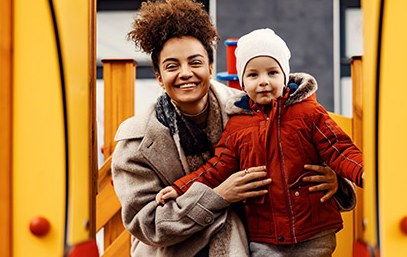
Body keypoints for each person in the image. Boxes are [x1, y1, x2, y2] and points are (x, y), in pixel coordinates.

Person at [112, 0, 356, 257]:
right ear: (159, 78)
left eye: (195, 62)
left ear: (210, 67)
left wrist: (336, 182)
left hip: (252, 243)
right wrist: (218, 195)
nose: (185, 73)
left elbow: (308, 149)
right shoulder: (136, 141)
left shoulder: (250, 110)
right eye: (172, 66)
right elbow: (147, 224)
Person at [156, 28, 363, 256]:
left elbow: (338, 149)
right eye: (253, 75)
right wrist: (180, 187)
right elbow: (217, 168)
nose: (263, 82)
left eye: (272, 73)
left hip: (313, 229)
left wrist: (364, 173)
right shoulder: (238, 125)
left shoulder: (309, 113)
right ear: (242, 83)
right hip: (265, 234)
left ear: (285, 75)